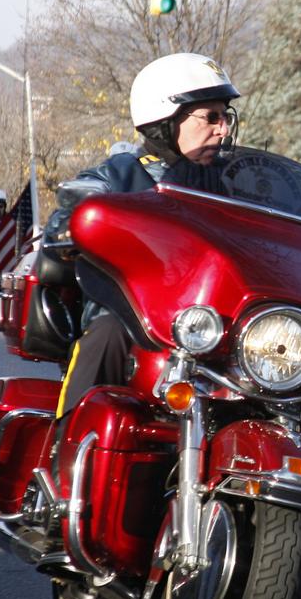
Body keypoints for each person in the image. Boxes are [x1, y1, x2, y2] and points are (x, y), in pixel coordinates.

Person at [53, 52, 241, 418]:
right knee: (107, 334)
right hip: (135, 318)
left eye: (226, 117)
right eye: (211, 117)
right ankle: (69, 450)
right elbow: (65, 223)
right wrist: (69, 225)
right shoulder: (119, 176)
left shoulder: (235, 184)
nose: (224, 129)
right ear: (165, 119)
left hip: (216, 320)